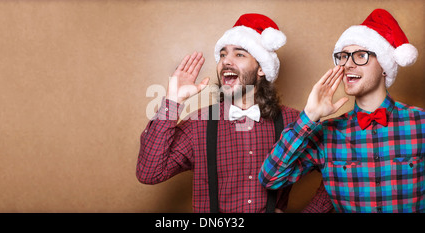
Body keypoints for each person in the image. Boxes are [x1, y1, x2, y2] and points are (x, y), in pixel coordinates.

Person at [137, 13, 333, 213]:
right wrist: (172, 101)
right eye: (223, 55)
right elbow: (149, 173)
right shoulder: (199, 124)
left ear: (261, 69)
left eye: (239, 54)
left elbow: (337, 172)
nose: (226, 61)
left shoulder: (294, 122)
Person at [259, 9, 423, 213]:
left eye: (360, 56)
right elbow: (270, 178)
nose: (348, 64)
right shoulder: (327, 132)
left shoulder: (420, 123)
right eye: (343, 57)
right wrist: (309, 116)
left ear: (384, 66)